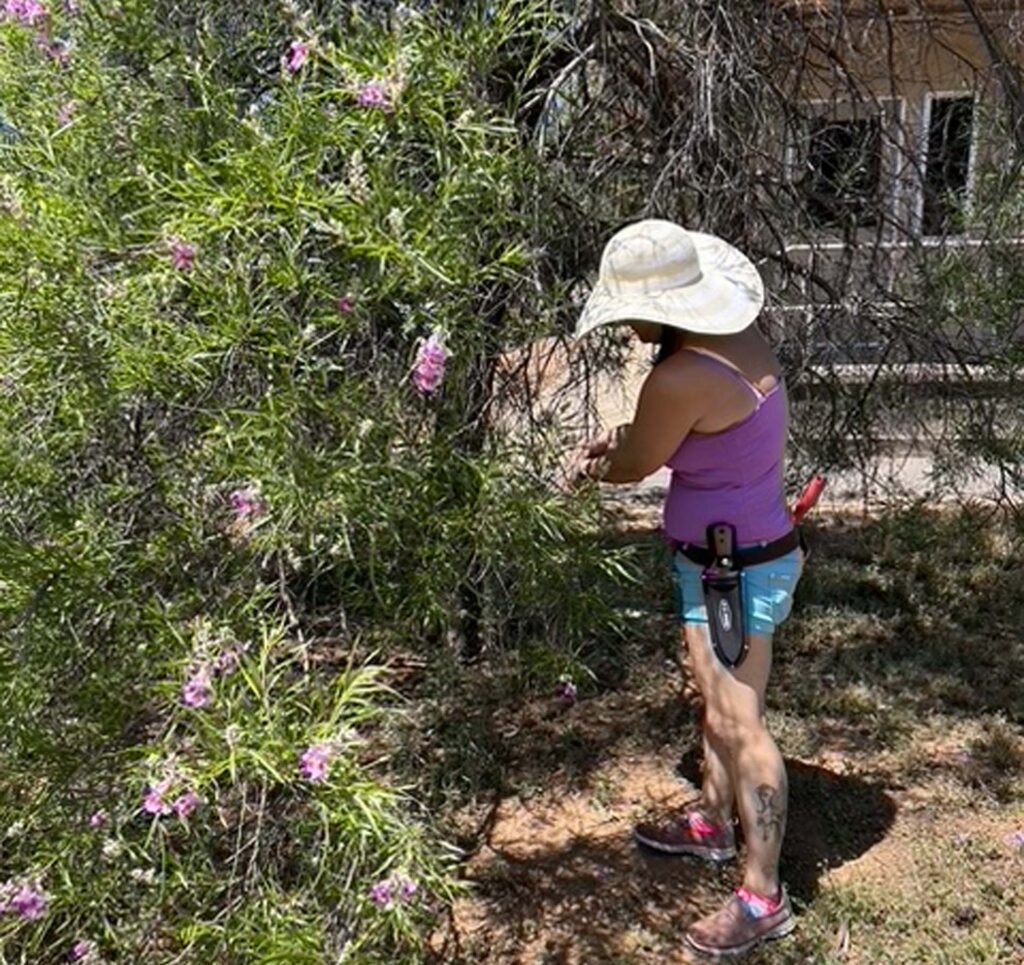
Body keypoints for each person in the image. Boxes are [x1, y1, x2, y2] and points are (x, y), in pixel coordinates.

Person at [567, 219, 804, 959]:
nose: (628, 323)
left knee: (740, 719)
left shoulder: (677, 374)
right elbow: (682, 438)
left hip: (732, 570)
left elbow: (638, 462)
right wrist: (631, 438)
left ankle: (764, 897)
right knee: (719, 694)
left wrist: (591, 467)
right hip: (738, 556)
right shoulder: (730, 344)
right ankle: (712, 822)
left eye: (630, 309)